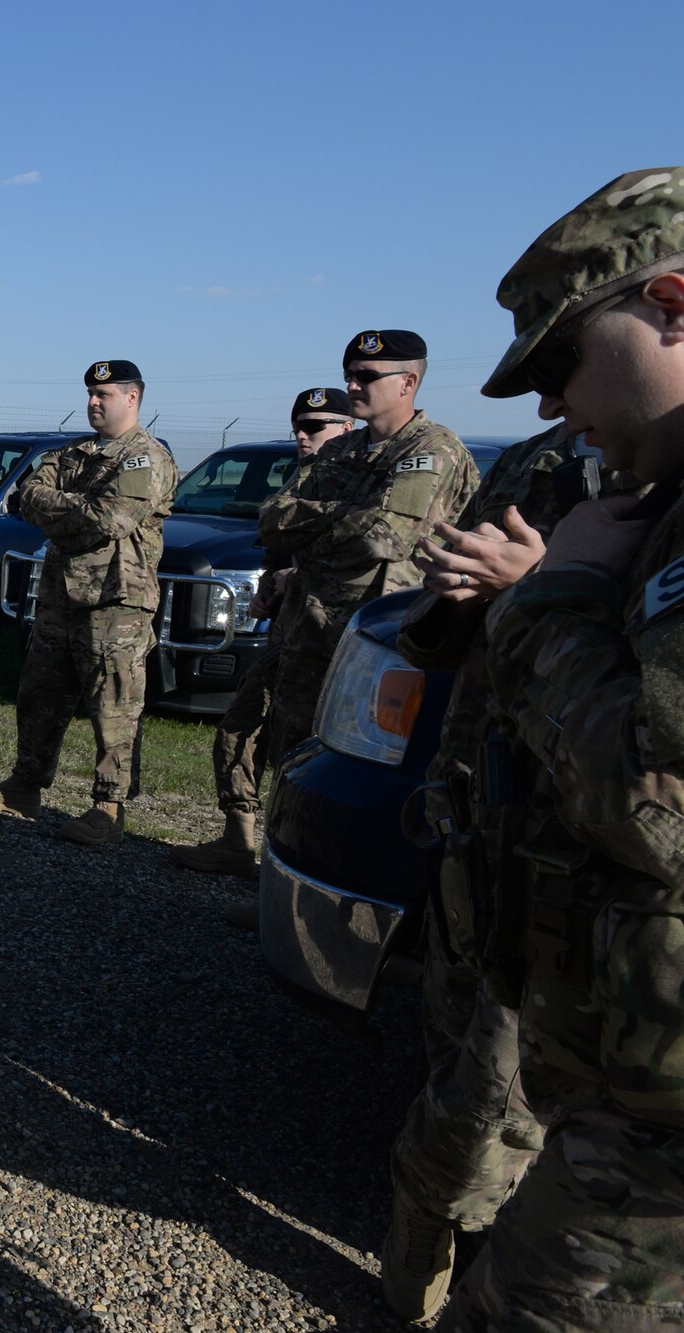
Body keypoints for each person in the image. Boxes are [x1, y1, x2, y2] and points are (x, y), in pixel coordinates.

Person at [434, 167, 684, 1332]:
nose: (546, 408)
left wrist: (553, 598)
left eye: (558, 362)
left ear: (670, 303)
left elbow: (656, 800)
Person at [376, 421, 619, 1321]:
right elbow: (436, 636)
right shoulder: (540, 461)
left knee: (492, 1112)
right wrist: (457, 596)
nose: (552, 387)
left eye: (565, 351)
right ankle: (418, 1284)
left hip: (584, 865)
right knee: (457, 1071)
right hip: (480, 831)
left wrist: (542, 586)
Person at [0, 360, 177, 845]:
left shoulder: (147, 457)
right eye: (90, 394)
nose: (94, 402)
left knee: (114, 705)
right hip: (61, 594)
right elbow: (24, 496)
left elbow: (109, 521)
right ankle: (25, 786)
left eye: (105, 394)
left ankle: (108, 807)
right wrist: (67, 508)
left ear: (133, 398)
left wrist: (55, 508)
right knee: (40, 692)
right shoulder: (74, 452)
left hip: (115, 599)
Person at [255, 331, 478, 766]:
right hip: (309, 630)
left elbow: (384, 536)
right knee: (293, 758)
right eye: (350, 376)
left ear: (407, 383)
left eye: (366, 376)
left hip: (377, 638)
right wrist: (350, 512)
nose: (353, 386)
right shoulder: (339, 449)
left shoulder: (432, 450)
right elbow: (271, 520)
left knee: (358, 765)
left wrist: (311, 522)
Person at [171, 388, 357, 875]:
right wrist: (274, 582)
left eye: (316, 425)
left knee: (303, 759)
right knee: (237, 729)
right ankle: (238, 840)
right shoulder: (305, 476)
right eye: (298, 423)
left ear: (347, 427)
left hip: (336, 642)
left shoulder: (364, 477)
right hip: (288, 630)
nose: (303, 433)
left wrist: (296, 567)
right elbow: (276, 532)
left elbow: (380, 546)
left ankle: (295, 868)